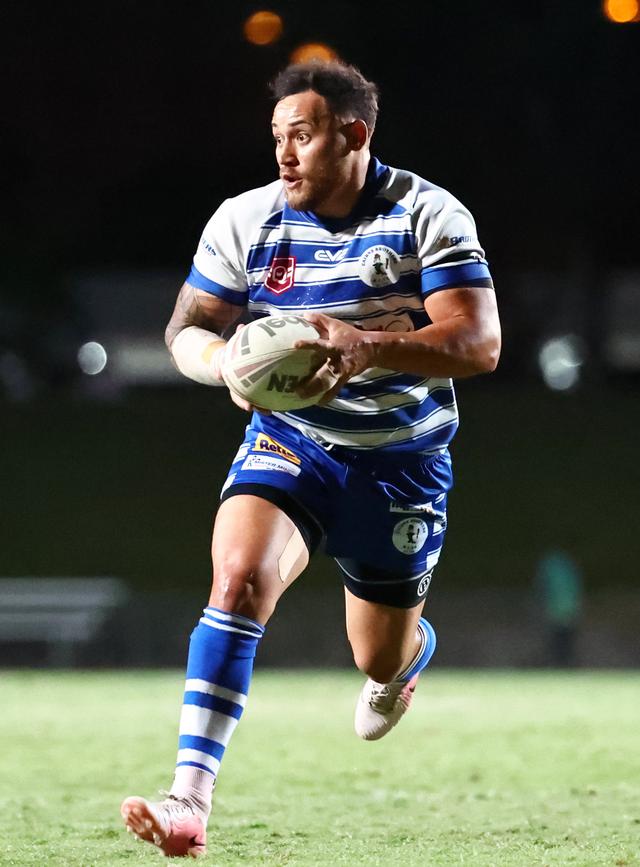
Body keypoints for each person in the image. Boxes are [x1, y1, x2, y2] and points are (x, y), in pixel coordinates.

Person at [121, 60, 501, 857]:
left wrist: (370, 346)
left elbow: (478, 342)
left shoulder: (428, 214)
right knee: (237, 579)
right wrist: (221, 364)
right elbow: (185, 329)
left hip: (400, 458)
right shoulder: (247, 219)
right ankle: (190, 797)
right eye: (277, 138)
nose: (283, 155)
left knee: (377, 653)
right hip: (293, 440)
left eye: (301, 135)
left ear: (354, 135)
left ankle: (405, 657)